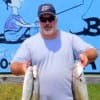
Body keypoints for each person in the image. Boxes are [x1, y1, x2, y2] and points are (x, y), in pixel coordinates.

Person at [11, 3, 98, 100]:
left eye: (50, 18)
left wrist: (86, 55)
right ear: (39, 22)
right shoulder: (29, 43)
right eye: (43, 20)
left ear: (56, 20)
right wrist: (22, 68)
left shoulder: (70, 39)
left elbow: (93, 52)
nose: (47, 22)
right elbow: (13, 67)